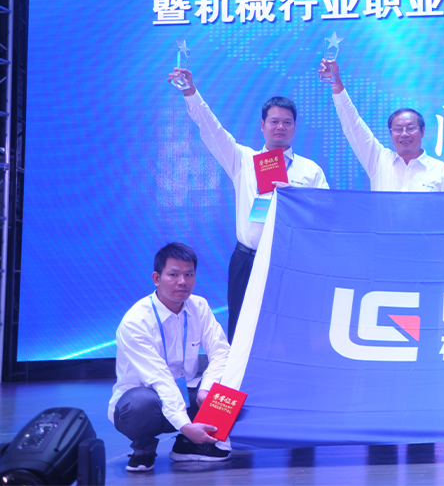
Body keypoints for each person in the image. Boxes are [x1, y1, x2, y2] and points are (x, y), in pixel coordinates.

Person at [169, 67, 329, 341]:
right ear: (262, 125)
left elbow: (326, 213)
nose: (280, 127)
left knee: (292, 332)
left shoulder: (310, 170)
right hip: (248, 259)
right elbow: (211, 129)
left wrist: (296, 198)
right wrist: (190, 92)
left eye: (287, 122)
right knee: (243, 332)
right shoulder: (243, 160)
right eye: (274, 121)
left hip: (290, 260)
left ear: (295, 127)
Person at [109, 242, 232, 472]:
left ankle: (188, 445)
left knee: (229, 388)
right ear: (156, 278)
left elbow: (222, 352)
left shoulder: (199, 307)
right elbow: (159, 379)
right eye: (174, 274)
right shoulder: (136, 321)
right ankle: (144, 448)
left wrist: (206, 389)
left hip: (186, 393)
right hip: (148, 400)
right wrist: (185, 425)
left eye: (189, 274)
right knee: (139, 404)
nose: (183, 282)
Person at [318, 59, 444, 192]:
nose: (404, 134)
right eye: (398, 129)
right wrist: (336, 83)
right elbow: (353, 125)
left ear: (422, 131)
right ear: (391, 133)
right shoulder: (379, 160)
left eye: (410, 128)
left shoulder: (442, 172)